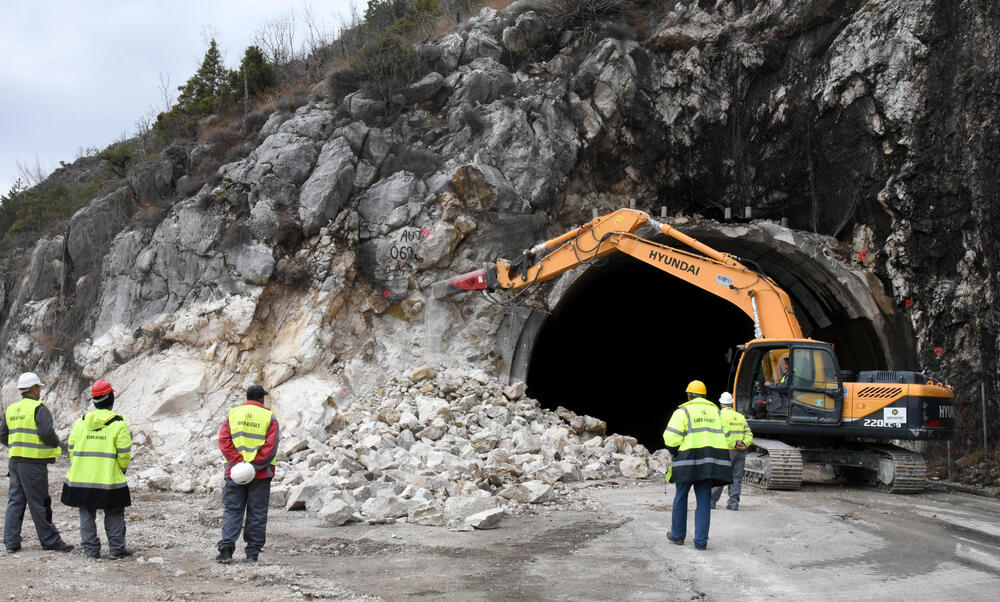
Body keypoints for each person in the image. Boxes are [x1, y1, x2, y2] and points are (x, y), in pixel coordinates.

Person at [1, 372, 73, 553]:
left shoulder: (11, 409)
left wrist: (16, 445)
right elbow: (45, 432)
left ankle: (11, 542)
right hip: (33, 464)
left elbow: (3, 435)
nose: (39, 391)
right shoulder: (39, 408)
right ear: (33, 389)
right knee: (39, 502)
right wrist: (56, 443)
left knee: (15, 501)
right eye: (38, 388)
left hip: (15, 462)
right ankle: (50, 541)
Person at [60, 379, 133, 559]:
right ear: (111, 399)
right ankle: (116, 549)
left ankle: (91, 550)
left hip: (82, 478)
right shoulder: (118, 424)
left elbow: (72, 449)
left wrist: (81, 466)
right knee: (114, 511)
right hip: (109, 479)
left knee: (86, 512)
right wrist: (120, 470)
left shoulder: (81, 422)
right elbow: (124, 454)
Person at [662, 380, 732, 550]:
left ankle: (678, 535)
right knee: (704, 500)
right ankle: (701, 542)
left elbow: (670, 438)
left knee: (681, 496)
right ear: (705, 396)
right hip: (709, 462)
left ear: (689, 395)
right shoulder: (717, 412)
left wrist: (675, 451)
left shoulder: (683, 411)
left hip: (687, 460)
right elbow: (728, 437)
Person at [217, 384, 279, 563]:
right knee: (257, 512)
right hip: (261, 474)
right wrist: (255, 464)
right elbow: (271, 447)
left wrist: (238, 462)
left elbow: (224, 441)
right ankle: (252, 553)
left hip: (235, 472)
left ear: (247, 397)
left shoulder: (233, 414)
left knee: (233, 510)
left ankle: (226, 550)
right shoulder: (269, 417)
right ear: (262, 398)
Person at [711, 392, 754, 511]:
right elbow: (749, 433)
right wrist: (744, 444)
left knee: (720, 475)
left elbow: (720, 434)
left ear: (721, 404)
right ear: (732, 403)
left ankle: (711, 501)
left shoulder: (719, 416)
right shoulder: (740, 416)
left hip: (725, 450)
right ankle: (733, 503)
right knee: (736, 477)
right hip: (740, 451)